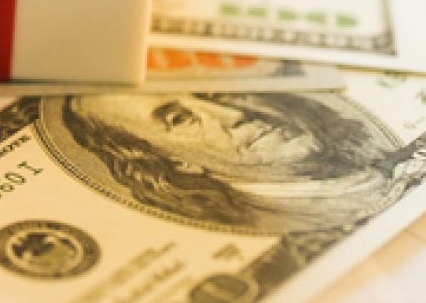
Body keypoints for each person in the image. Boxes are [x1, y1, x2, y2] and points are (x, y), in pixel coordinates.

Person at [54, 92, 422, 234]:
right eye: (180, 119)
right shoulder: (286, 223)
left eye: (213, 95)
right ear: (174, 163)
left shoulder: (364, 156)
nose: (232, 113)